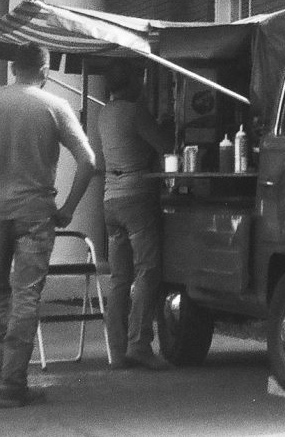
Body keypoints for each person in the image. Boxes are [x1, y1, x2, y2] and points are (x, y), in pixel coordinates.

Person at [0, 43, 96, 408]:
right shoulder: (55, 107)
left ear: (11, 68)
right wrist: (66, 208)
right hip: (35, 215)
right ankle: (13, 385)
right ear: (46, 70)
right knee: (26, 294)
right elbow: (88, 161)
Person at [92, 57, 171, 370]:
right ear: (134, 82)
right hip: (137, 198)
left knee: (119, 278)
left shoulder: (104, 113)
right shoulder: (135, 112)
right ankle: (139, 344)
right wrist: (164, 124)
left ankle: (117, 349)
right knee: (148, 270)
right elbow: (165, 145)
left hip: (110, 200)